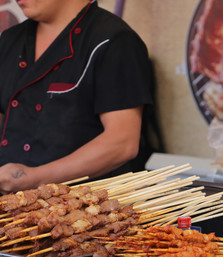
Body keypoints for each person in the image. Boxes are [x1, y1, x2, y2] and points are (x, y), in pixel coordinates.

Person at [0, 0, 153, 194]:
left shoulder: (113, 40)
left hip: (81, 204)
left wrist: (35, 178)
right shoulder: (11, 39)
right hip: (10, 202)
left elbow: (122, 143)